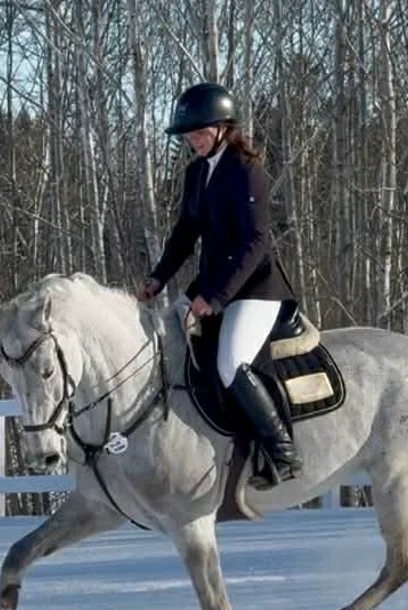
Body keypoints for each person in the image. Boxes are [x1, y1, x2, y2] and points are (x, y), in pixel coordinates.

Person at [135, 81, 302, 488]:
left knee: (231, 362)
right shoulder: (196, 173)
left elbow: (255, 241)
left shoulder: (246, 169)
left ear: (224, 127)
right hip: (211, 284)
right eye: (188, 135)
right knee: (164, 340)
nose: (193, 141)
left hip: (255, 288)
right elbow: (185, 233)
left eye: (199, 133)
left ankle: (282, 452)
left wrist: (215, 296)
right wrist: (158, 277)